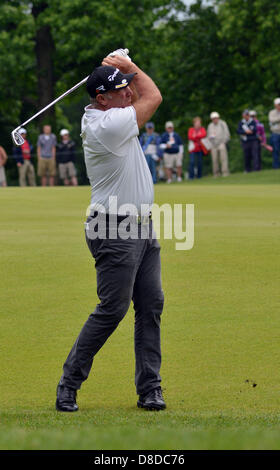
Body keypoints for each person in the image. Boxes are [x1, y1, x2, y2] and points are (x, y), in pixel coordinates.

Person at [56, 52, 165, 412]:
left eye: (128, 86)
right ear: (102, 99)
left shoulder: (110, 113)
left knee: (150, 305)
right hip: (114, 227)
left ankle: (150, 389)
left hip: (141, 224)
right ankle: (69, 383)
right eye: (121, 89)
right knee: (113, 309)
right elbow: (154, 97)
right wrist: (131, 68)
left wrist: (122, 73)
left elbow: (139, 95)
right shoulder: (108, 125)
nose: (129, 92)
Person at [207, 112, 230, 177]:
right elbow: (208, 136)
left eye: (215, 118)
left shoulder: (223, 123)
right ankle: (216, 173)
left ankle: (225, 172)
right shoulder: (210, 126)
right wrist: (211, 140)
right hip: (213, 144)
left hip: (221, 143)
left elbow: (227, 134)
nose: (215, 120)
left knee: (223, 158)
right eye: (213, 118)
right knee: (214, 160)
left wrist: (224, 142)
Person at [268, 97, 280, 169]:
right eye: (278, 104)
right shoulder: (272, 112)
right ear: (275, 105)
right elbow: (272, 120)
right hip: (275, 133)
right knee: (276, 150)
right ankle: (276, 166)